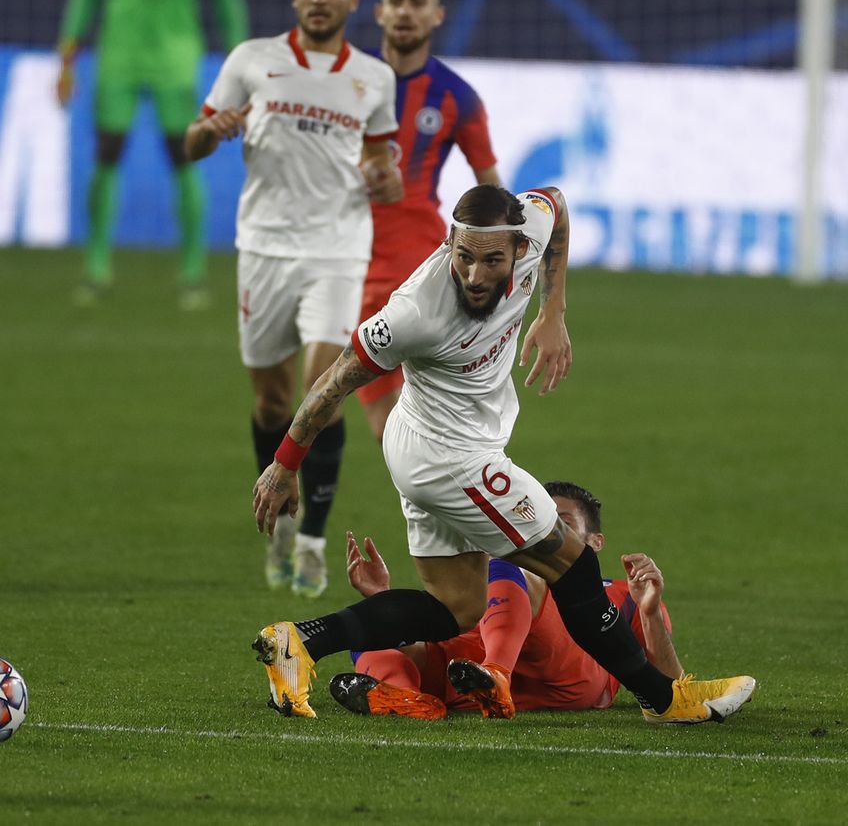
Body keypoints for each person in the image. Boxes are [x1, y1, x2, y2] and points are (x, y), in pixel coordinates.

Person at [248, 184, 756, 725]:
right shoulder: (413, 312)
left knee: (456, 608)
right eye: (462, 256)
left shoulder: (532, 230)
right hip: (447, 456)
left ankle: (299, 641)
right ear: (449, 242)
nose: (472, 274)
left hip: (439, 444)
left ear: (518, 249)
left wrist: (553, 310)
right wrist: (285, 463)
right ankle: (664, 698)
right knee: (574, 563)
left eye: (490, 260)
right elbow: (335, 380)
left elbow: (556, 202)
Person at [186, 0, 403, 597]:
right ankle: (280, 517)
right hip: (263, 249)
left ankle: (312, 540)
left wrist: (385, 178)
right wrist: (213, 130)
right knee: (271, 401)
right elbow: (191, 144)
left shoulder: (373, 78)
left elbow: (384, 168)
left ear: (351, 0)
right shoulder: (252, 61)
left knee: (322, 389)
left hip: (337, 250)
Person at [326, 480, 683, 719]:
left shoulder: (621, 594)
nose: (549, 535)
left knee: (506, 564)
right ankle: (407, 700)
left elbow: (672, 687)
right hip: (474, 669)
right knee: (369, 637)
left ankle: (496, 672)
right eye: (544, 523)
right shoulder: (497, 582)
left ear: (595, 542)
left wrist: (649, 613)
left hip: (570, 671)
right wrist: (384, 606)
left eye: (562, 524)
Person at [56, 0, 249, 308]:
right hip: (119, 53)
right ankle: (96, 268)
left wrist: (241, 57)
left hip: (175, 58)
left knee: (184, 157)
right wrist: (67, 55)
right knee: (107, 153)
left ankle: (192, 272)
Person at [358, 0, 503, 443]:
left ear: (437, 14)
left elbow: (493, 194)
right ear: (379, 11)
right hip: (343, 258)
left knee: (420, 414)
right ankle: (312, 518)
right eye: (396, 1)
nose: (405, 11)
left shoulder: (457, 98)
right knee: (365, 409)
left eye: (417, 1)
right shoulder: (348, 84)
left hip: (415, 261)